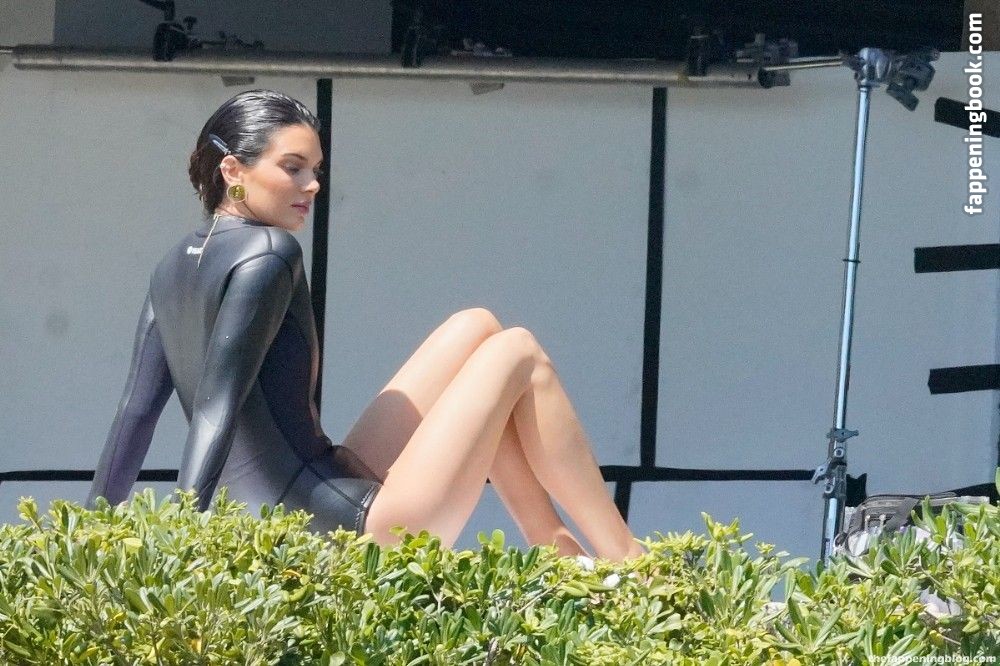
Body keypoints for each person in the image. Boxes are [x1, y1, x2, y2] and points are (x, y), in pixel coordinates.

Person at [86, 89, 644, 562]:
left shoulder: (170, 266)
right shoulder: (270, 253)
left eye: (316, 170)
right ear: (233, 170)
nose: (312, 185)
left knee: (477, 327)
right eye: (293, 167)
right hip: (350, 532)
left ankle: (555, 545)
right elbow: (216, 407)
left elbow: (135, 413)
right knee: (517, 350)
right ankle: (628, 560)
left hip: (317, 491)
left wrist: (90, 535)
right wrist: (190, 541)